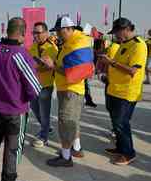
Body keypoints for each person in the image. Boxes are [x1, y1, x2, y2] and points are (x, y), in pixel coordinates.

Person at [0, 17, 41, 181]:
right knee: (12, 149)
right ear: (22, 34)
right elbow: (35, 88)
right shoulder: (22, 55)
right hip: (15, 112)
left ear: (7, 31)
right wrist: (21, 99)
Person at [46, 16, 94, 167]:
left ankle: (66, 157)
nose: (58, 35)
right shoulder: (71, 42)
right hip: (67, 89)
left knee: (66, 122)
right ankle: (76, 148)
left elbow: (72, 72)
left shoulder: (77, 43)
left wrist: (52, 66)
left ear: (68, 29)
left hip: (70, 90)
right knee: (73, 121)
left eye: (60, 31)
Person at [101, 18, 147, 165]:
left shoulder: (139, 46)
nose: (115, 36)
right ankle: (120, 148)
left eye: (117, 32)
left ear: (126, 29)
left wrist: (111, 62)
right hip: (114, 89)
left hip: (127, 92)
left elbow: (133, 70)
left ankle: (128, 153)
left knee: (122, 123)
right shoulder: (123, 44)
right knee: (116, 123)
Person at [28, 22, 58, 148]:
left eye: (38, 32)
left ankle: (44, 136)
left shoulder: (52, 48)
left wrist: (36, 67)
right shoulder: (32, 47)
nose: (36, 35)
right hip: (34, 83)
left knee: (44, 111)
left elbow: (51, 67)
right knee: (35, 108)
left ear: (46, 33)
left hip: (46, 84)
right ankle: (46, 127)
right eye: (34, 32)